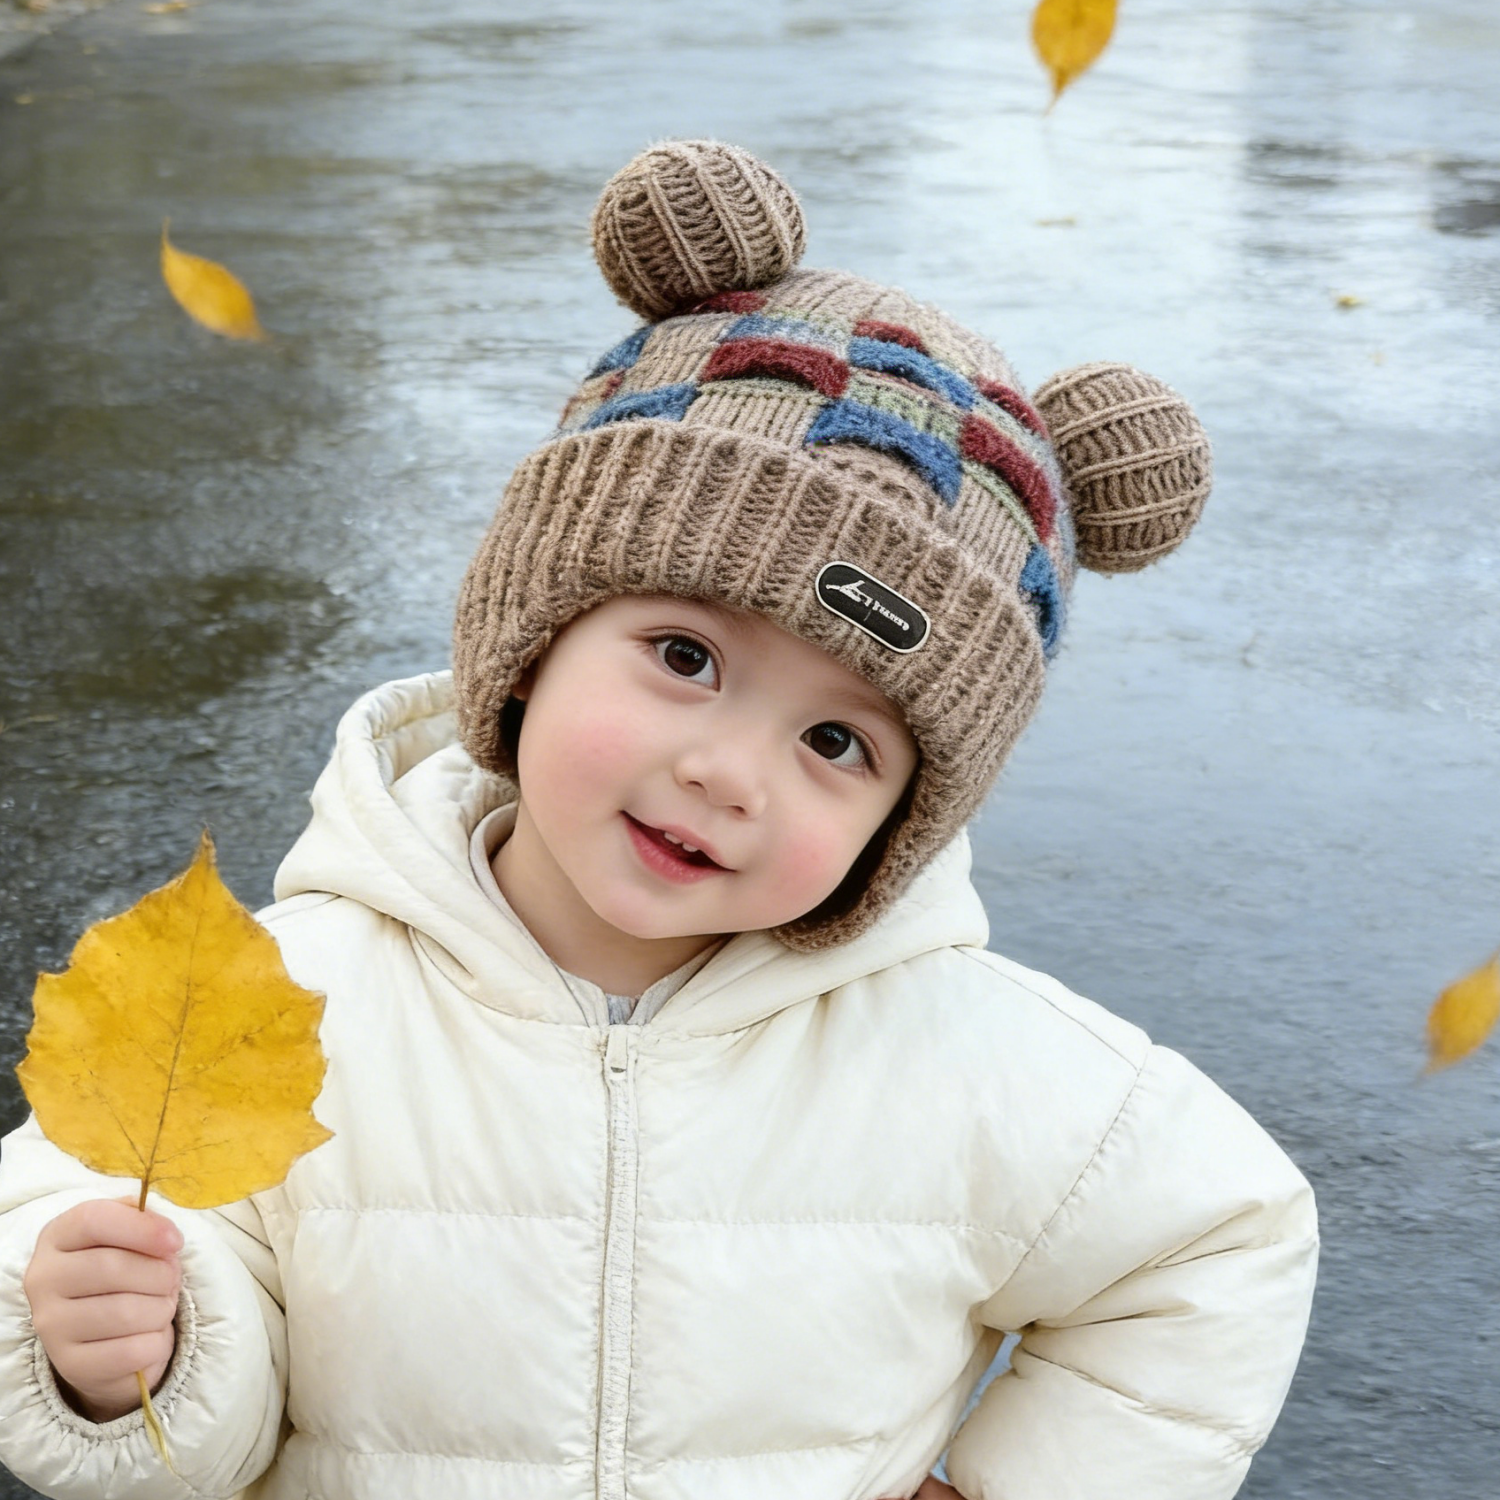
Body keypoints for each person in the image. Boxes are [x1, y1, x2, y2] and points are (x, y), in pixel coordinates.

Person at [0, 140, 1318, 1500]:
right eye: (685, 658)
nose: (733, 774)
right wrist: (126, 1366)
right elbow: (117, 1317)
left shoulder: (967, 1060)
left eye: (836, 742)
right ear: (530, 638)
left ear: (902, 822)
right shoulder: (281, 996)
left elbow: (1219, 1242)